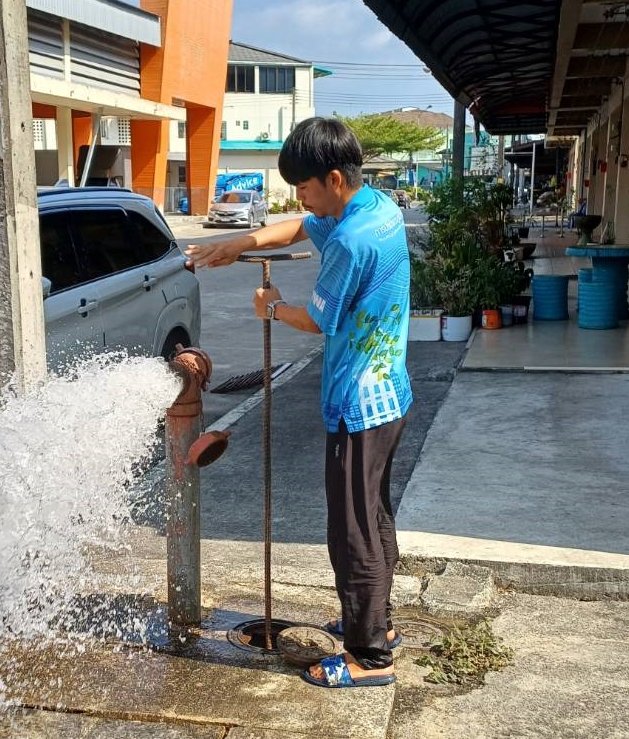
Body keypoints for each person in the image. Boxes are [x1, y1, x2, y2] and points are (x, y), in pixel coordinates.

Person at [185, 117, 411, 689]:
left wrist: (269, 306)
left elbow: (314, 319)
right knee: (375, 514)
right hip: (391, 393)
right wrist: (239, 243)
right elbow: (303, 227)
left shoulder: (353, 242)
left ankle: (368, 657)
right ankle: (377, 624)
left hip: (358, 404)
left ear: (334, 178)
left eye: (306, 188)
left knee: (352, 528)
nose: (301, 201)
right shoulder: (375, 208)